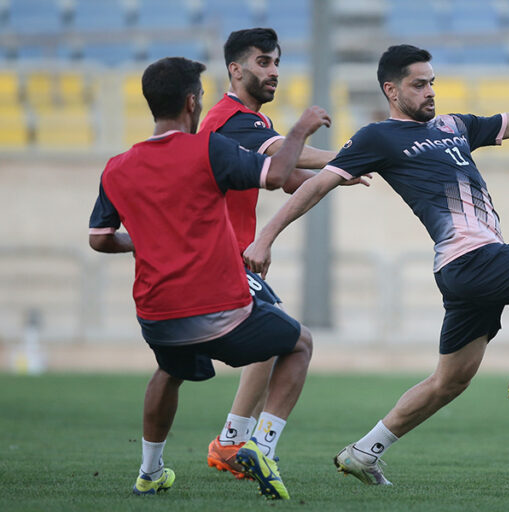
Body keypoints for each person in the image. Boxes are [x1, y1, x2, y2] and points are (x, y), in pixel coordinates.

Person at [243, 44, 509, 486]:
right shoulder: (377, 137)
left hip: (466, 271)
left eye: (432, 83)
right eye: (419, 84)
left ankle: (364, 453)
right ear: (391, 89)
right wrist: (265, 237)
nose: (430, 92)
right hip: (470, 260)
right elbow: (316, 188)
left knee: (449, 382)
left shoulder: (454, 125)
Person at [87, 56, 330, 499]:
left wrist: (141, 241)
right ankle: (260, 446)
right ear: (192, 103)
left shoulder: (117, 166)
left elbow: (100, 239)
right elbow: (275, 176)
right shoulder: (208, 148)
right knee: (298, 343)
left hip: (157, 315)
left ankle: (150, 470)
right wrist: (302, 129)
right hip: (221, 308)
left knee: (168, 369)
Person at [199, 28, 365, 479]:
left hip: (226, 255)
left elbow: (289, 178)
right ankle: (253, 446)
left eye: (276, 63)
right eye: (263, 63)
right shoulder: (233, 119)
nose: (273, 72)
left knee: (271, 341)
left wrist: (337, 174)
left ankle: (232, 442)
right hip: (218, 256)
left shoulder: (247, 124)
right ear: (235, 70)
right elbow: (294, 160)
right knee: (295, 340)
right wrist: (357, 156)